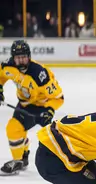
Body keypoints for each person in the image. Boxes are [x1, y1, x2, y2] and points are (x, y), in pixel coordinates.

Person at [0, 40, 64, 175]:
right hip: (24, 104)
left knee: (52, 138)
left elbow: (59, 97)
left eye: (24, 57)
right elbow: (1, 76)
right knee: (13, 129)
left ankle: (69, 158)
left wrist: (49, 110)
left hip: (42, 107)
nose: (21, 61)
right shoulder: (8, 66)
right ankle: (20, 160)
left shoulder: (40, 74)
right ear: (13, 58)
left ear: (29, 56)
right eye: (18, 58)